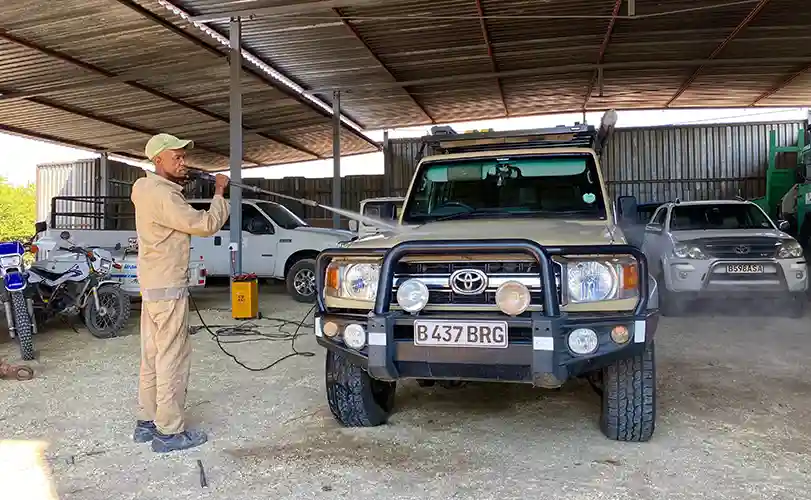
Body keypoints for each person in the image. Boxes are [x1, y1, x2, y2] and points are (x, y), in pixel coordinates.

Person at [130, 133, 230, 453]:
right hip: (169, 289)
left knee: (152, 356)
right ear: (158, 160)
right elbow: (204, 225)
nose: (182, 162)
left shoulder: (144, 188)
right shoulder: (164, 196)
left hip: (152, 286)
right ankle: (169, 432)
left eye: (184, 157)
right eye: (176, 157)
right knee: (172, 357)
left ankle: (146, 422)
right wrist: (219, 193)